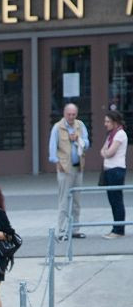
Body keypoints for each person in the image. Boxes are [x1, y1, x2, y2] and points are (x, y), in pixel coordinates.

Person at [48, 103, 89, 240]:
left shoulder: (80, 125)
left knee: (77, 200)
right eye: (69, 114)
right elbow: (52, 148)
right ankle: (61, 231)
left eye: (73, 114)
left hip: (78, 167)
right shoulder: (57, 127)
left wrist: (78, 139)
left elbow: (87, 143)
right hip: (65, 168)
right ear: (64, 114)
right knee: (64, 201)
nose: (71, 117)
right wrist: (57, 162)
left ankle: (75, 229)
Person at [100, 110, 127, 239]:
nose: (105, 124)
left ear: (115, 122)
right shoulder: (111, 135)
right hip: (109, 170)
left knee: (116, 200)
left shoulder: (120, 135)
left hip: (116, 170)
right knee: (112, 200)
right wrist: (105, 151)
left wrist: (105, 152)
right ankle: (115, 227)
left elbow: (109, 152)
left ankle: (119, 229)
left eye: (108, 121)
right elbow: (103, 150)